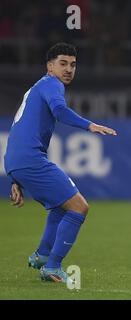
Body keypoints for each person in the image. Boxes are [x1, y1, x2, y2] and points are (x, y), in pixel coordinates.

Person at [4, 43, 117, 283]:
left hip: (18, 160)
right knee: (79, 207)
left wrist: (15, 175)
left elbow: (16, 129)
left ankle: (43, 256)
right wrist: (90, 125)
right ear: (50, 66)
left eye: (73, 65)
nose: (68, 69)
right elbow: (59, 111)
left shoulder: (35, 88)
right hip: (30, 159)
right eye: (63, 63)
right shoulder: (51, 84)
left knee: (59, 207)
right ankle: (52, 267)